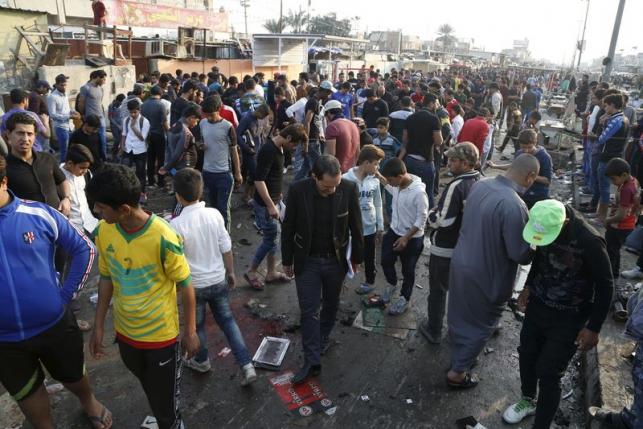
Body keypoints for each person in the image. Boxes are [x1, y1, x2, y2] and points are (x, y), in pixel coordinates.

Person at [0, 153, 111, 429]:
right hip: (5, 342)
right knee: (28, 394)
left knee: (74, 375)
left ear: (3, 182)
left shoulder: (38, 213)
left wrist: (65, 295)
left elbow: (84, 248)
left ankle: (89, 402)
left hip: (55, 324)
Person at [88, 164, 199, 429]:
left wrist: (191, 331)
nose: (96, 212)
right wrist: (99, 325)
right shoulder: (104, 231)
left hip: (161, 338)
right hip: (126, 335)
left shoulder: (164, 236)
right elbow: (106, 277)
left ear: (124, 209)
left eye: (101, 207)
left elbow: (186, 285)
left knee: (166, 407)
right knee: (151, 388)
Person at [503, 200, 612, 428]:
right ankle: (527, 400)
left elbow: (605, 285)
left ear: (566, 222)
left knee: (549, 371)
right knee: (527, 354)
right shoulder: (543, 222)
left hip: (570, 317)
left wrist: (593, 327)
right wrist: (528, 286)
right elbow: (540, 258)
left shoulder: (590, 241)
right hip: (539, 306)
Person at [447, 153, 539, 388]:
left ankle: (460, 355)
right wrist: (535, 243)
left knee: (461, 313)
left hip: (462, 261)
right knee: (482, 323)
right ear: (530, 176)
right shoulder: (515, 206)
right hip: (487, 274)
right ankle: (457, 373)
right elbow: (519, 253)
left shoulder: (481, 184)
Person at [169, 168, 257, 386]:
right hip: (218, 280)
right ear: (202, 191)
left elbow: (175, 261)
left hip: (193, 286)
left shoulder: (175, 225)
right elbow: (226, 247)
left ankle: (202, 360)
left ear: (178, 195)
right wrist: (231, 272)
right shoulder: (215, 215)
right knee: (228, 321)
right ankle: (247, 365)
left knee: (197, 327)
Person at [281, 155, 364, 384]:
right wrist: (287, 260)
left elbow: (356, 226)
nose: (331, 190)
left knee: (331, 304)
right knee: (308, 311)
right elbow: (287, 227)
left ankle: (323, 337)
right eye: (327, 186)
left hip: (335, 261)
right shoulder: (298, 190)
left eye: (335, 185)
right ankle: (311, 359)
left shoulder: (348, 189)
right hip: (307, 260)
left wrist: (357, 257)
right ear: (314, 177)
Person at [419, 143, 480, 344]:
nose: (449, 163)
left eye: (454, 160)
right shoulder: (479, 181)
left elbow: (441, 221)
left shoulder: (456, 186)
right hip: (465, 247)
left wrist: (430, 215)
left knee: (438, 290)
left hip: (445, 248)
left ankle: (434, 329)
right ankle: (460, 333)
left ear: (466, 163)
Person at [244, 124, 308, 290]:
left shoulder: (279, 148)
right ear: (287, 138)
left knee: (273, 238)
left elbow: (273, 176)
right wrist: (271, 205)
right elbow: (259, 180)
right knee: (270, 239)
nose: (293, 148)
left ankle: (271, 272)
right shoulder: (268, 150)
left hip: (274, 200)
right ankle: (251, 271)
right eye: (294, 144)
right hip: (266, 205)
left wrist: (277, 197)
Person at [379, 158, 429, 315]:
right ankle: (392, 284)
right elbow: (388, 187)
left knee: (408, 270)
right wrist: (378, 175)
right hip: (394, 231)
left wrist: (406, 238)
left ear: (400, 176)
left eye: (391, 180)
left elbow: (422, 219)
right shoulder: (397, 185)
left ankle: (404, 298)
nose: (390, 183)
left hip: (412, 238)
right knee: (386, 260)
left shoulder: (419, 193)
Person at [4, 113, 71, 218]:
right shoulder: (4, 168)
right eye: (20, 133)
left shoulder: (47, 158)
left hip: (58, 219)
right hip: (28, 227)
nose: (25, 139)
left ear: (35, 136)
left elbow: (62, 180)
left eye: (29, 134)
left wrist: (66, 198)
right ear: (8, 134)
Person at [343, 145, 386, 295]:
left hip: (370, 226)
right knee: (346, 255)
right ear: (366, 162)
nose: (378, 167)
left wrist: (380, 225)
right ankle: (338, 281)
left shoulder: (374, 180)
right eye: (376, 163)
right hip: (350, 228)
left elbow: (378, 203)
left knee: (369, 256)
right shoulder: (345, 179)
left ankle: (370, 281)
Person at [199, 95, 242, 230]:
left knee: (223, 209)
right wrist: (199, 145)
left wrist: (238, 173)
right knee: (212, 209)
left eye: (211, 115)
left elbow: (234, 151)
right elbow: (200, 142)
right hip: (207, 172)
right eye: (207, 115)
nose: (209, 118)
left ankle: (225, 240)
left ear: (219, 109)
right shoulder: (202, 123)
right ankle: (215, 235)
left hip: (224, 174)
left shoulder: (228, 127)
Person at [399, 94, 443, 208]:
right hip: (426, 161)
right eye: (436, 103)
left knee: (410, 190)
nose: (437, 106)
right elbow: (439, 141)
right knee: (428, 192)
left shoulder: (411, 117)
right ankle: (428, 219)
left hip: (409, 160)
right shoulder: (434, 119)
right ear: (431, 104)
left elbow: (404, 140)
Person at [489, 129, 552, 208]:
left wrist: (532, 176)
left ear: (535, 143)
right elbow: (514, 167)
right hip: (520, 193)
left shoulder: (544, 157)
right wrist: (495, 166)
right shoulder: (519, 153)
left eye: (529, 147)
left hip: (537, 195)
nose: (526, 150)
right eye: (523, 147)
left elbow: (547, 180)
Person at [595, 93, 629, 222]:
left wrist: (602, 123)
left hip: (608, 157)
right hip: (614, 155)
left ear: (612, 105)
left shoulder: (616, 120)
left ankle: (601, 216)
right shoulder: (623, 118)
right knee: (604, 186)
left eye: (606, 106)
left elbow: (602, 139)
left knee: (604, 187)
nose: (605, 108)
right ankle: (600, 213)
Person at [603, 158, 640, 278]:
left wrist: (608, 220)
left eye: (614, 179)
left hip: (620, 226)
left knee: (611, 250)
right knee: (615, 249)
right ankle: (614, 272)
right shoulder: (634, 181)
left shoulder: (626, 189)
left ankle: (610, 274)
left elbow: (621, 215)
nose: (612, 182)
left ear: (624, 175)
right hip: (629, 223)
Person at [61, 144, 99, 234]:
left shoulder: (86, 174)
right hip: (71, 228)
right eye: (82, 168)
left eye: (87, 168)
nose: (85, 171)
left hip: (91, 224)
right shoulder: (58, 176)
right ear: (70, 163)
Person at [1, 88, 50, 153]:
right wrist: (46, 122)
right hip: (35, 151)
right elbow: (47, 135)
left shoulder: (3, 118)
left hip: (15, 154)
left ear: (11, 101)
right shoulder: (32, 115)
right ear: (25, 100)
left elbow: (3, 138)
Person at [120, 99, 150, 203]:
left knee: (140, 172)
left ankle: (142, 193)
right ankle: (126, 192)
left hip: (140, 149)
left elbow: (142, 137)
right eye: (131, 112)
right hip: (128, 148)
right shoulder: (126, 120)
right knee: (125, 170)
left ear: (139, 111)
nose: (132, 114)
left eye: (135, 112)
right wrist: (122, 145)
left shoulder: (144, 121)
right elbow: (124, 133)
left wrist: (133, 127)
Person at [141, 85, 169, 188]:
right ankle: (161, 182)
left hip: (147, 135)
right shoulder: (161, 105)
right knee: (161, 158)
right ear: (160, 94)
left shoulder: (143, 105)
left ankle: (151, 181)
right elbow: (164, 122)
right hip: (158, 134)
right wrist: (169, 133)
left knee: (150, 158)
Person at [48, 74, 81, 161]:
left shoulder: (65, 94)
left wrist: (74, 112)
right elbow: (52, 114)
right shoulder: (52, 97)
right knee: (64, 151)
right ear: (57, 84)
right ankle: (63, 168)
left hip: (69, 126)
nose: (64, 87)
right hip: (60, 127)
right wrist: (69, 116)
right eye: (62, 85)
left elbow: (67, 108)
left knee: (71, 149)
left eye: (65, 85)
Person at [323, 99, 360, 173]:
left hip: (338, 171)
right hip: (352, 171)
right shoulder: (353, 125)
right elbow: (358, 151)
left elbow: (331, 155)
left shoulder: (332, 126)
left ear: (329, 113)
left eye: (326, 115)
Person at [77, 69, 107, 160]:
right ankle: (93, 158)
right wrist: (82, 114)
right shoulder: (86, 88)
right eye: (103, 79)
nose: (104, 82)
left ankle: (103, 158)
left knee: (103, 140)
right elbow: (81, 103)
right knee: (92, 140)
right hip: (91, 119)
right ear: (97, 77)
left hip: (101, 118)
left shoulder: (101, 89)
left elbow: (99, 103)